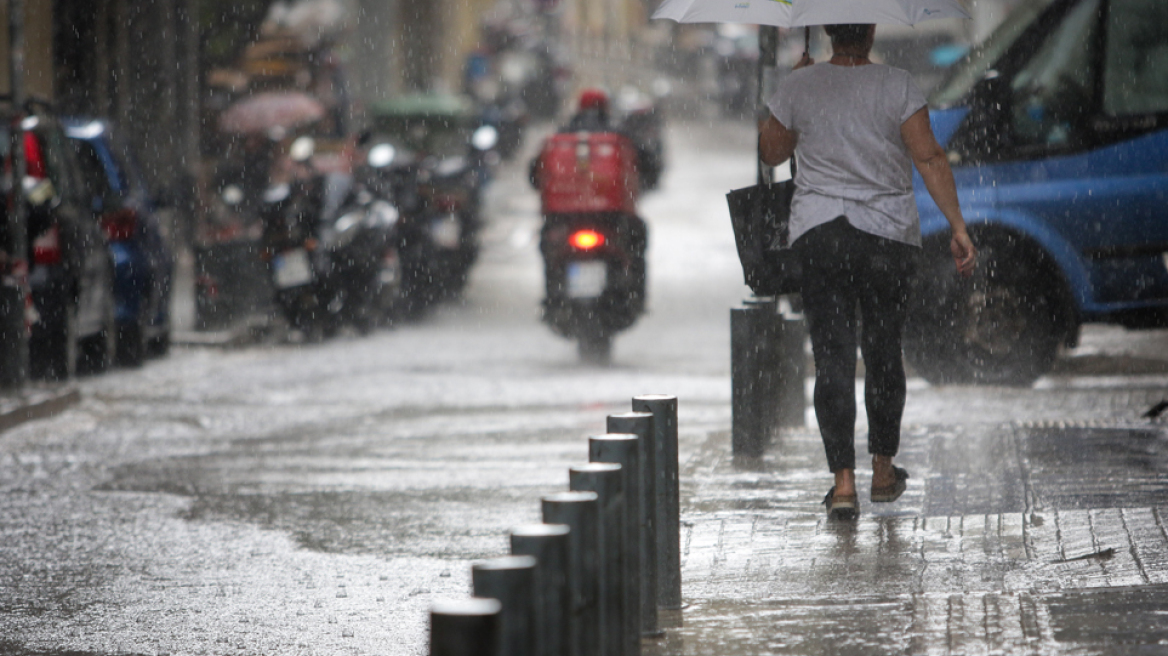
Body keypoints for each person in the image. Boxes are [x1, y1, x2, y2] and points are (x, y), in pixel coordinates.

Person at [758, 24, 977, 520]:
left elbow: (771, 152)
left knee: (832, 355)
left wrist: (788, 91)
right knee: (883, 350)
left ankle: (842, 484)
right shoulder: (898, 84)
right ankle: (882, 469)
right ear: (873, 28)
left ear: (830, 30)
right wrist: (957, 225)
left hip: (820, 236)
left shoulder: (801, 84)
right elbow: (929, 157)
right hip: (886, 236)